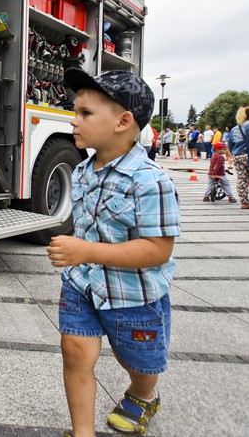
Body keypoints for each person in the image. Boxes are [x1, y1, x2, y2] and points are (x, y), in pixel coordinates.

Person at [48, 69, 180, 437]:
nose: (74, 121)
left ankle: (143, 395)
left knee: (138, 362)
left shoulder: (152, 181)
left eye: (85, 113)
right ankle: (82, 431)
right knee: (75, 354)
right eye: (76, 112)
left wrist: (85, 249)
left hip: (134, 296)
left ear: (123, 121)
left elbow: (157, 250)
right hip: (82, 285)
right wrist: (78, 254)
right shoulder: (82, 171)